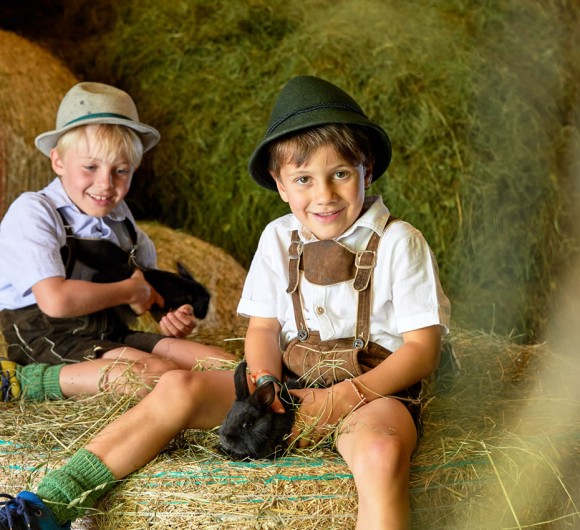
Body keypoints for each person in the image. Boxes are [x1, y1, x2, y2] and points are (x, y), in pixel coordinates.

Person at [0, 76, 450, 530]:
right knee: (177, 386)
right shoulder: (278, 238)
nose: (324, 195)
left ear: (366, 171)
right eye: (303, 179)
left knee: (381, 452)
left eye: (341, 174)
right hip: (290, 383)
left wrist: (341, 397)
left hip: (372, 390)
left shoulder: (399, 241)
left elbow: (421, 349)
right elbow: (263, 330)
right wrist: (265, 385)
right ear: (280, 184)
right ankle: (49, 505)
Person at [0, 82, 234, 403]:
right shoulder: (35, 212)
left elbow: (146, 294)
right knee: (158, 376)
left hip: (110, 333)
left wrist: (168, 315)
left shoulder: (123, 224)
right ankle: (28, 380)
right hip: (47, 339)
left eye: (120, 170)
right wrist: (130, 291)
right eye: (90, 167)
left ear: (134, 168)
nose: (105, 184)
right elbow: (55, 301)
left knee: (223, 364)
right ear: (58, 161)